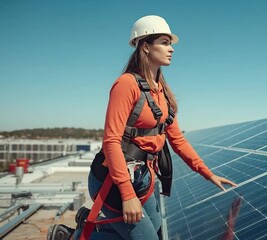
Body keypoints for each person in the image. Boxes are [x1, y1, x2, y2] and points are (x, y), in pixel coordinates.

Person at [47, 15, 237, 240]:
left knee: (155, 232)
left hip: (144, 178)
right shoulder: (126, 85)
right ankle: (72, 238)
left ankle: (87, 228)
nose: (171, 49)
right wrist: (127, 195)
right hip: (115, 180)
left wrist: (207, 173)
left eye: (170, 44)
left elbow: (177, 140)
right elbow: (111, 142)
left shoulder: (162, 92)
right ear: (145, 46)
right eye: (165, 43)